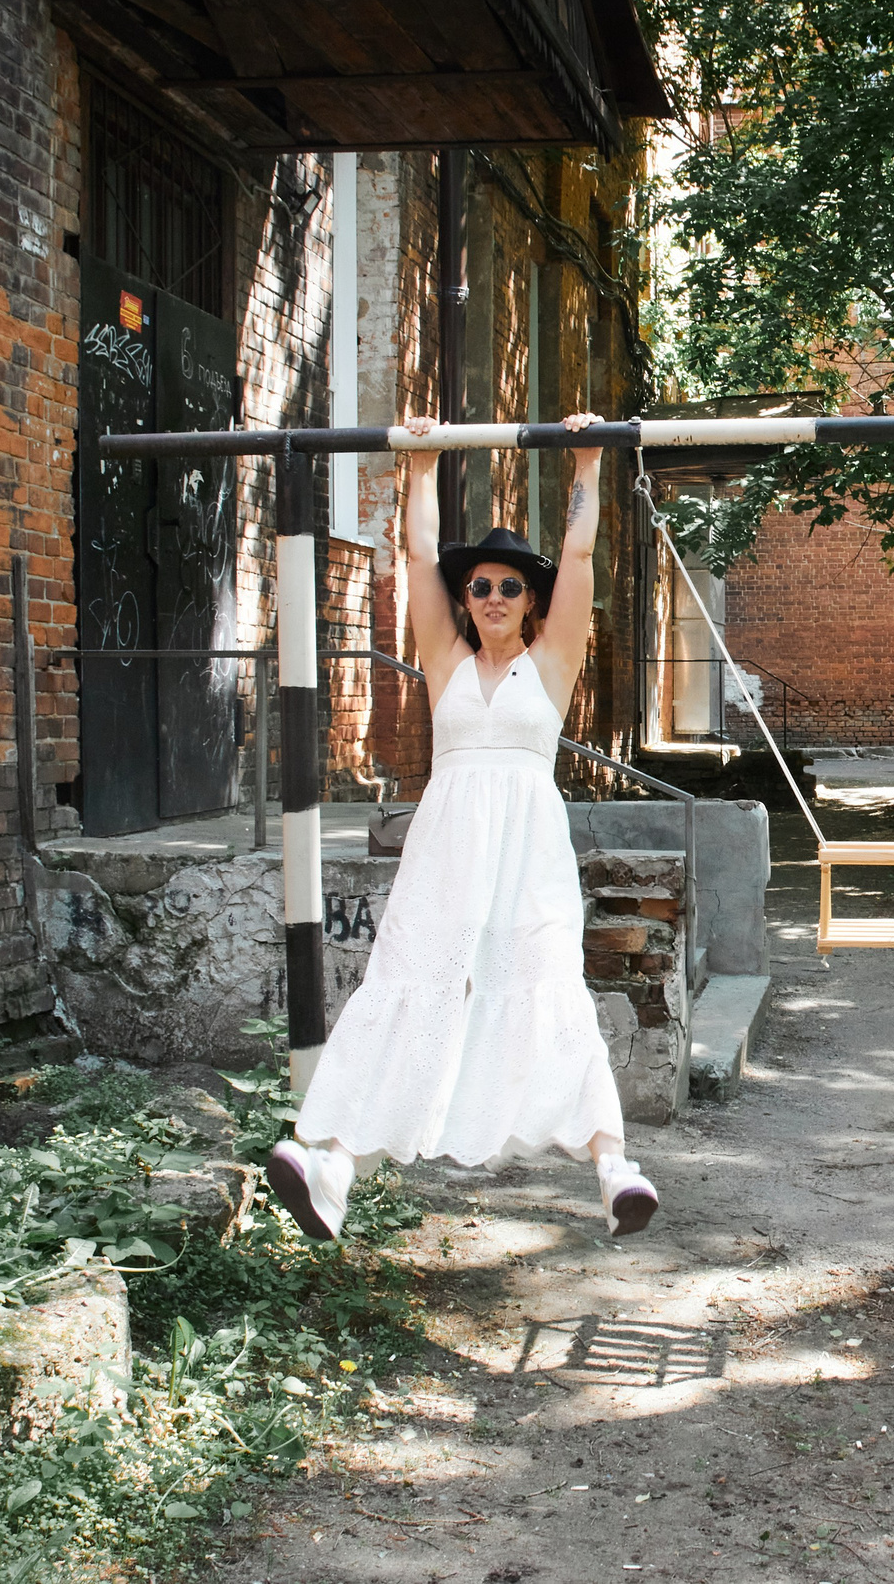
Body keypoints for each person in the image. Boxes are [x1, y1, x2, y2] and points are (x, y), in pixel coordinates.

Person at [268, 413, 660, 1240]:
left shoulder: (550, 665)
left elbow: (579, 554)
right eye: (480, 587)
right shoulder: (444, 663)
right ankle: (333, 1165)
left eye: (509, 587)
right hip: (446, 851)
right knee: (408, 980)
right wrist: (420, 461)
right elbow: (418, 556)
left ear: (530, 601)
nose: (493, 599)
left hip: (527, 853)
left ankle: (613, 1166)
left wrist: (587, 461)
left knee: (547, 982)